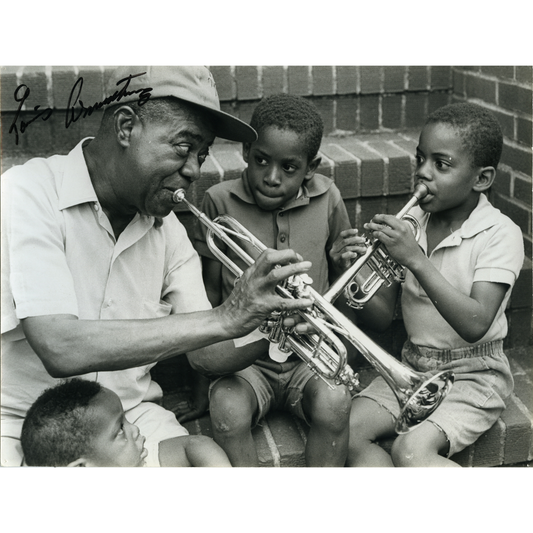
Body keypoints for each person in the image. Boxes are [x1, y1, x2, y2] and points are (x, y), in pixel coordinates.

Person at [1, 67, 315, 467]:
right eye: (184, 148)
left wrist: (272, 325)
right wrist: (227, 315)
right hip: (18, 423)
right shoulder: (27, 193)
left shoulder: (168, 233)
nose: (194, 170)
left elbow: (208, 355)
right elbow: (59, 346)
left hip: (130, 418)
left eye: (201, 155)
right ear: (126, 127)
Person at [345, 102, 525, 467]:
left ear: (482, 179)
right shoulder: (413, 220)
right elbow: (381, 321)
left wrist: (414, 258)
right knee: (345, 432)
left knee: (410, 451)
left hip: (474, 375)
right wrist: (354, 271)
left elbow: (476, 324)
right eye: (420, 159)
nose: (423, 173)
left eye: (441, 164)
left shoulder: (500, 234)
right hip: (412, 369)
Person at [188, 93, 356, 467]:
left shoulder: (329, 198)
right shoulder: (219, 200)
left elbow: (340, 282)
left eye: (289, 167)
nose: (271, 176)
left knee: (336, 402)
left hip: (309, 355)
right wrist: (203, 378)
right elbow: (209, 293)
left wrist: (339, 261)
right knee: (227, 411)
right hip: (245, 360)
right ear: (246, 150)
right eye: (261, 160)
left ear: (310, 168)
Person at [20, 378, 230, 467]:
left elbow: (195, 445)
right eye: (120, 430)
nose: (135, 429)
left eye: (126, 421)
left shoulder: (142, 462)